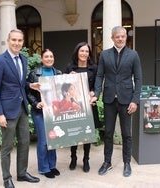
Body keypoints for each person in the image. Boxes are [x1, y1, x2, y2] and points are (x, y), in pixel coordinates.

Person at [0, 29, 40, 188]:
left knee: (25, 142)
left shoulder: (23, 60)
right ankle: (7, 178)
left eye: (19, 40)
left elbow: (19, 83)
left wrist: (30, 85)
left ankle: (22, 173)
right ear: (8, 40)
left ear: (23, 42)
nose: (17, 43)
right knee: (7, 146)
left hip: (22, 108)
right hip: (7, 110)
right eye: (14, 40)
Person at [90, 26, 142, 177]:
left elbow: (138, 79)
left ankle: (127, 163)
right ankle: (107, 162)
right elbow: (99, 76)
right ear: (112, 38)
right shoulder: (104, 55)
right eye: (117, 36)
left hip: (127, 100)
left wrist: (135, 100)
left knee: (127, 134)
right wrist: (97, 94)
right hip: (109, 100)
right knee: (108, 133)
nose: (120, 39)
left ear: (126, 38)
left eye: (123, 36)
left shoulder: (133, 55)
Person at [65, 42, 101, 173]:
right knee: (73, 132)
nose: (84, 53)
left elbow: (97, 86)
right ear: (77, 52)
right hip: (74, 105)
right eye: (82, 51)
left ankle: (86, 159)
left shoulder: (94, 68)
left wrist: (94, 94)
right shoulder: (70, 67)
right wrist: (67, 77)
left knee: (87, 132)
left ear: (89, 53)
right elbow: (64, 87)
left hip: (88, 104)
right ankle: (73, 157)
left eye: (86, 51)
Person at [27, 49, 62, 179]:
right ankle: (43, 168)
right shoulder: (34, 73)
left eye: (51, 56)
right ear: (41, 59)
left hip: (54, 112)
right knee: (43, 141)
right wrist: (36, 103)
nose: (49, 58)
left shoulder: (58, 73)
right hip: (39, 112)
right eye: (46, 56)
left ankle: (52, 165)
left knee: (53, 138)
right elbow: (28, 92)